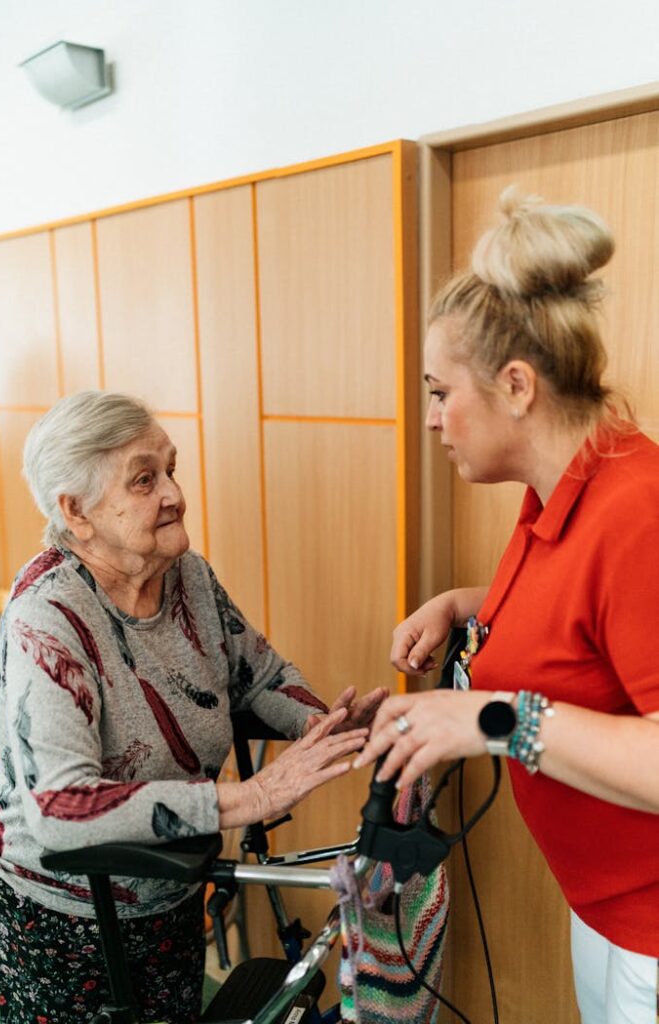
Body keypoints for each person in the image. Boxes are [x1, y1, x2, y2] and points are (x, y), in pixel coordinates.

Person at [0, 389, 387, 1024]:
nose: (173, 493)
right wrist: (246, 800)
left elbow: (259, 674)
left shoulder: (187, 577)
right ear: (76, 511)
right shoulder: (46, 622)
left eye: (170, 469)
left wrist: (320, 725)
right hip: (61, 907)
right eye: (145, 479)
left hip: (168, 882)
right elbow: (61, 807)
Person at [355, 188, 659, 1024]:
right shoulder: (566, 486)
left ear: (516, 385)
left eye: (439, 391)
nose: (430, 419)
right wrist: (464, 603)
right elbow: (586, 614)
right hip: (606, 904)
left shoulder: (636, 508)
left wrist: (490, 719)